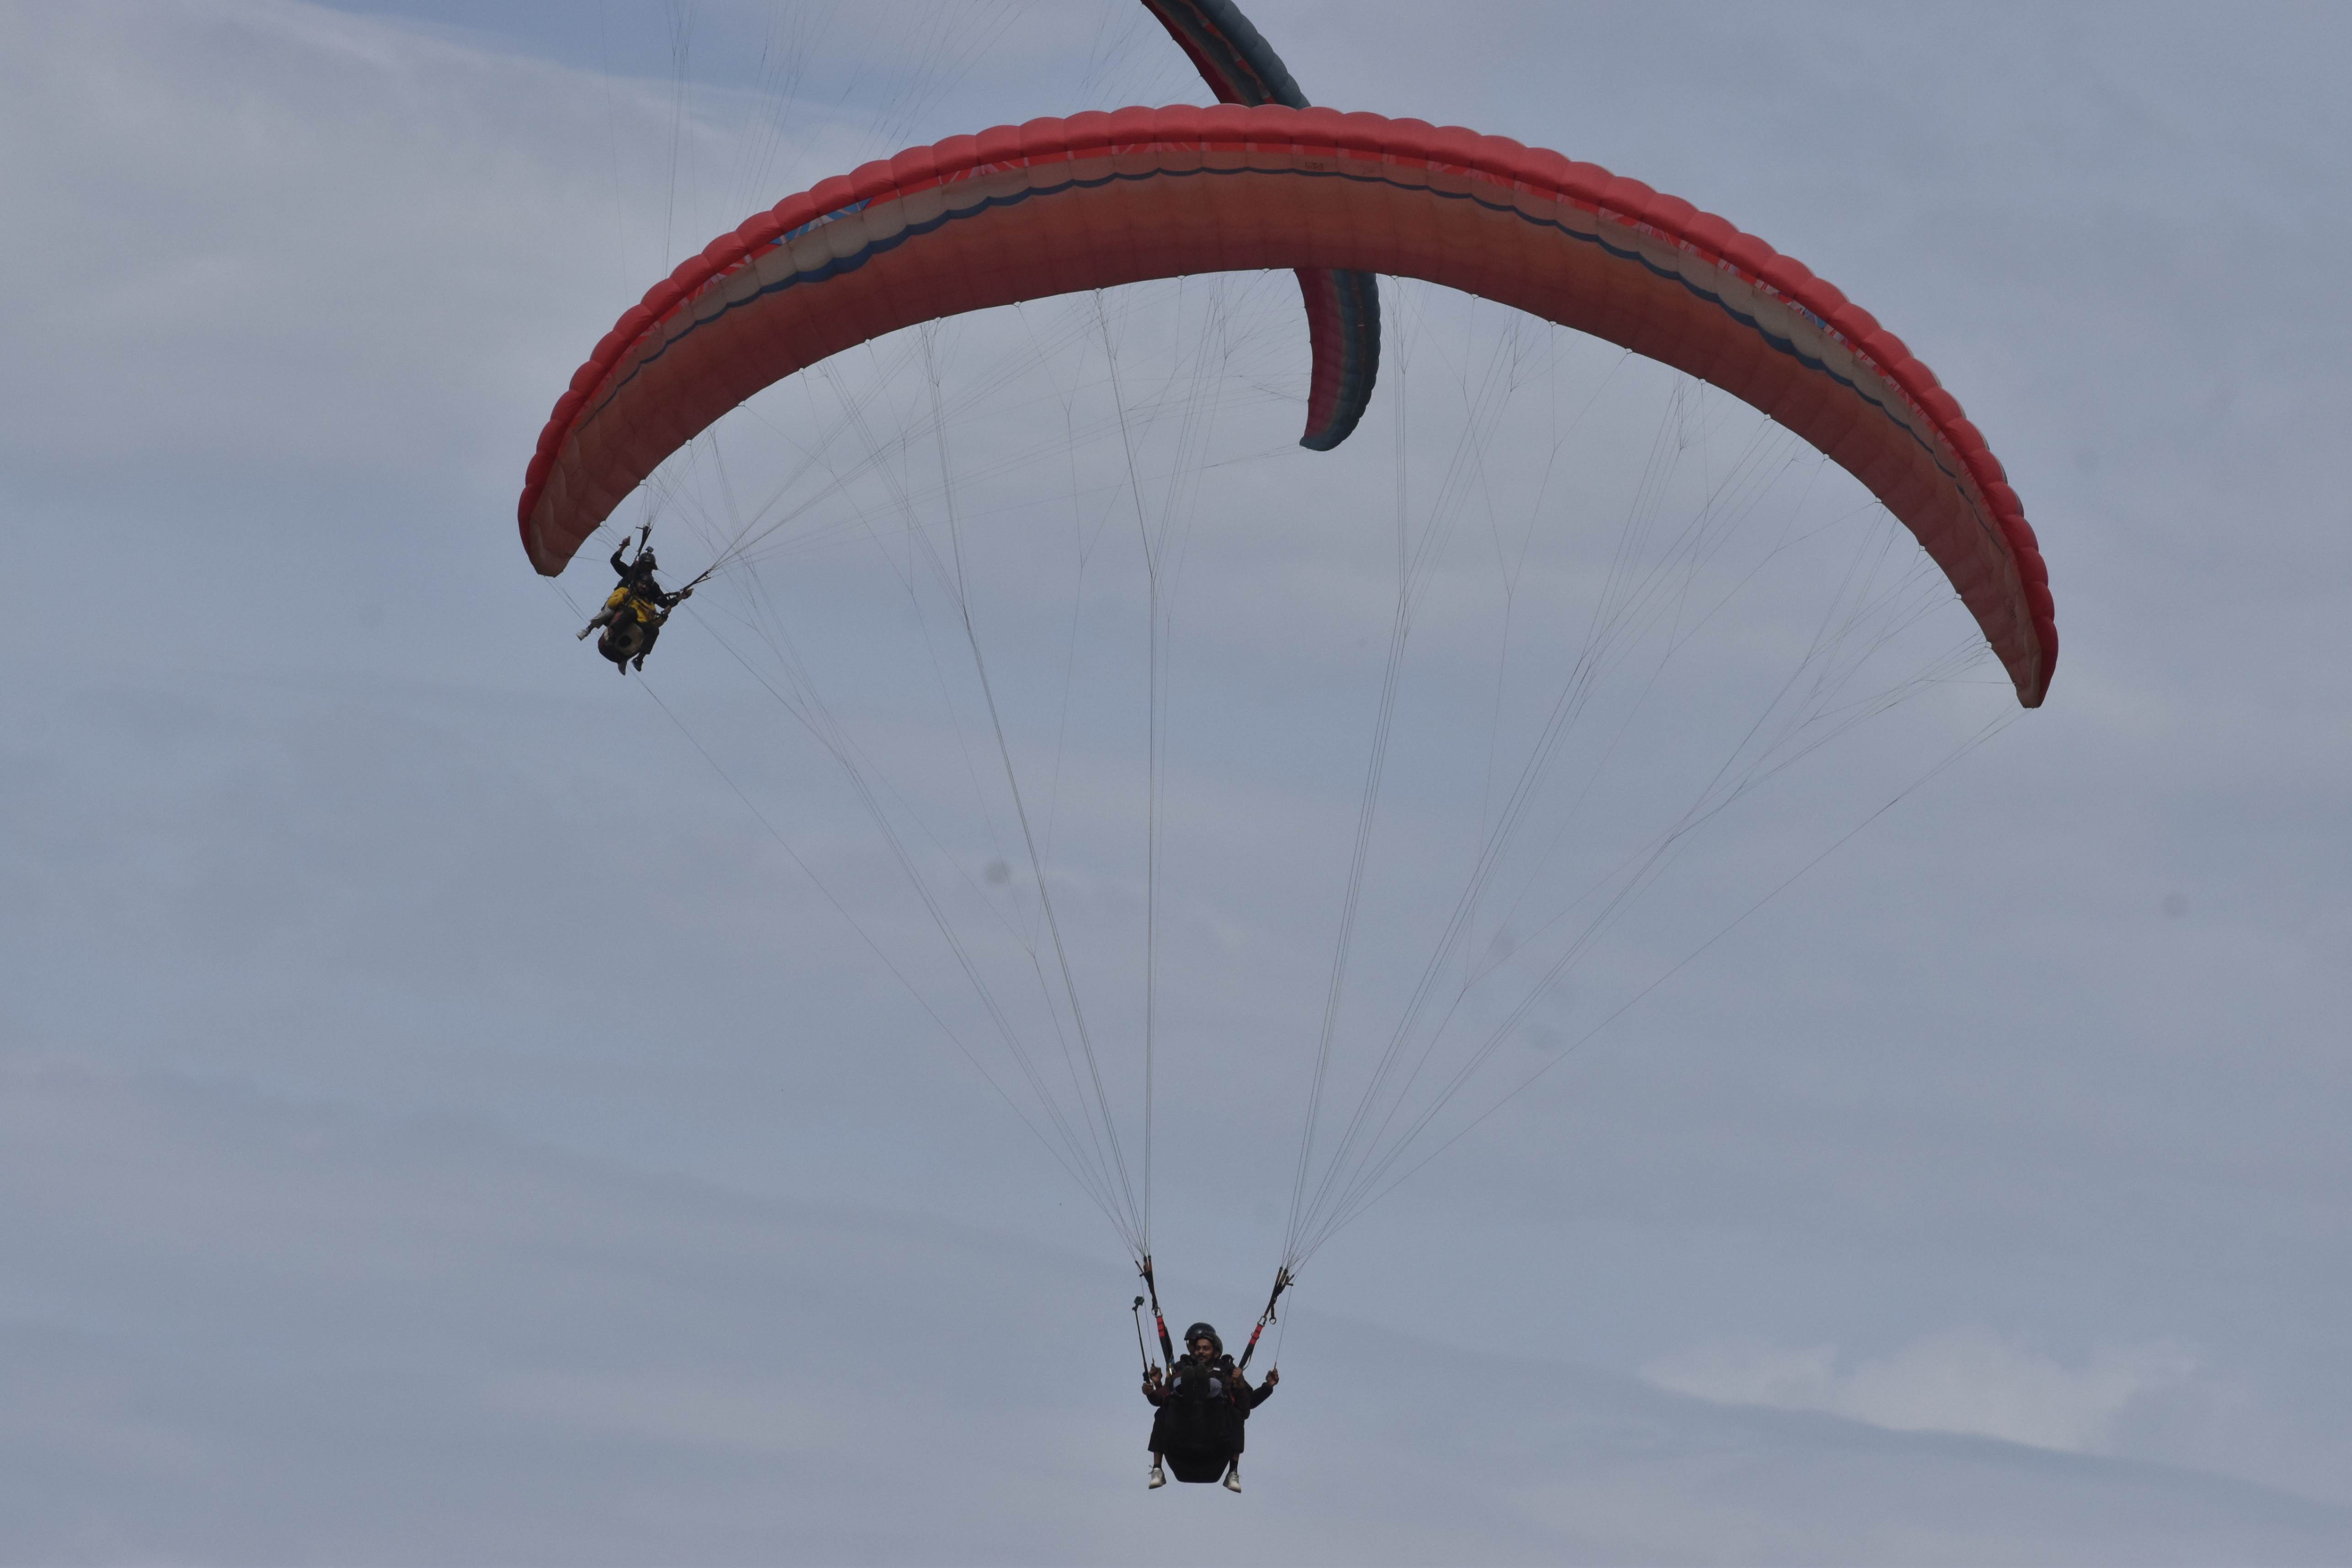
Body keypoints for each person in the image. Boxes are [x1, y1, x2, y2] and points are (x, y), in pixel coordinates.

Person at [1142, 1322, 1277, 1492]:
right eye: (1197, 1348)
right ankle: (1157, 1469)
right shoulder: (1180, 1368)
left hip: (1214, 1430)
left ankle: (1233, 1473)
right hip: (1185, 1430)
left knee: (1234, 1413)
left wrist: (1266, 1387)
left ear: (1216, 1351)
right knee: (1165, 1410)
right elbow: (1161, 1398)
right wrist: (1153, 1389)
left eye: (1205, 1348)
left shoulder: (1228, 1371)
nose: (1200, 1352)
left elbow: (1247, 1406)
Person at [577, 532, 693, 672]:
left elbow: (664, 603)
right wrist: (623, 547)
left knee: (651, 629)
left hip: (639, 616)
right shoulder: (630, 574)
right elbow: (615, 562)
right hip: (622, 601)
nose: (647, 571)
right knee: (609, 612)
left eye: (650, 568)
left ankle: (637, 658)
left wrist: (681, 597)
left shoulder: (652, 586)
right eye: (646, 567)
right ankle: (589, 630)